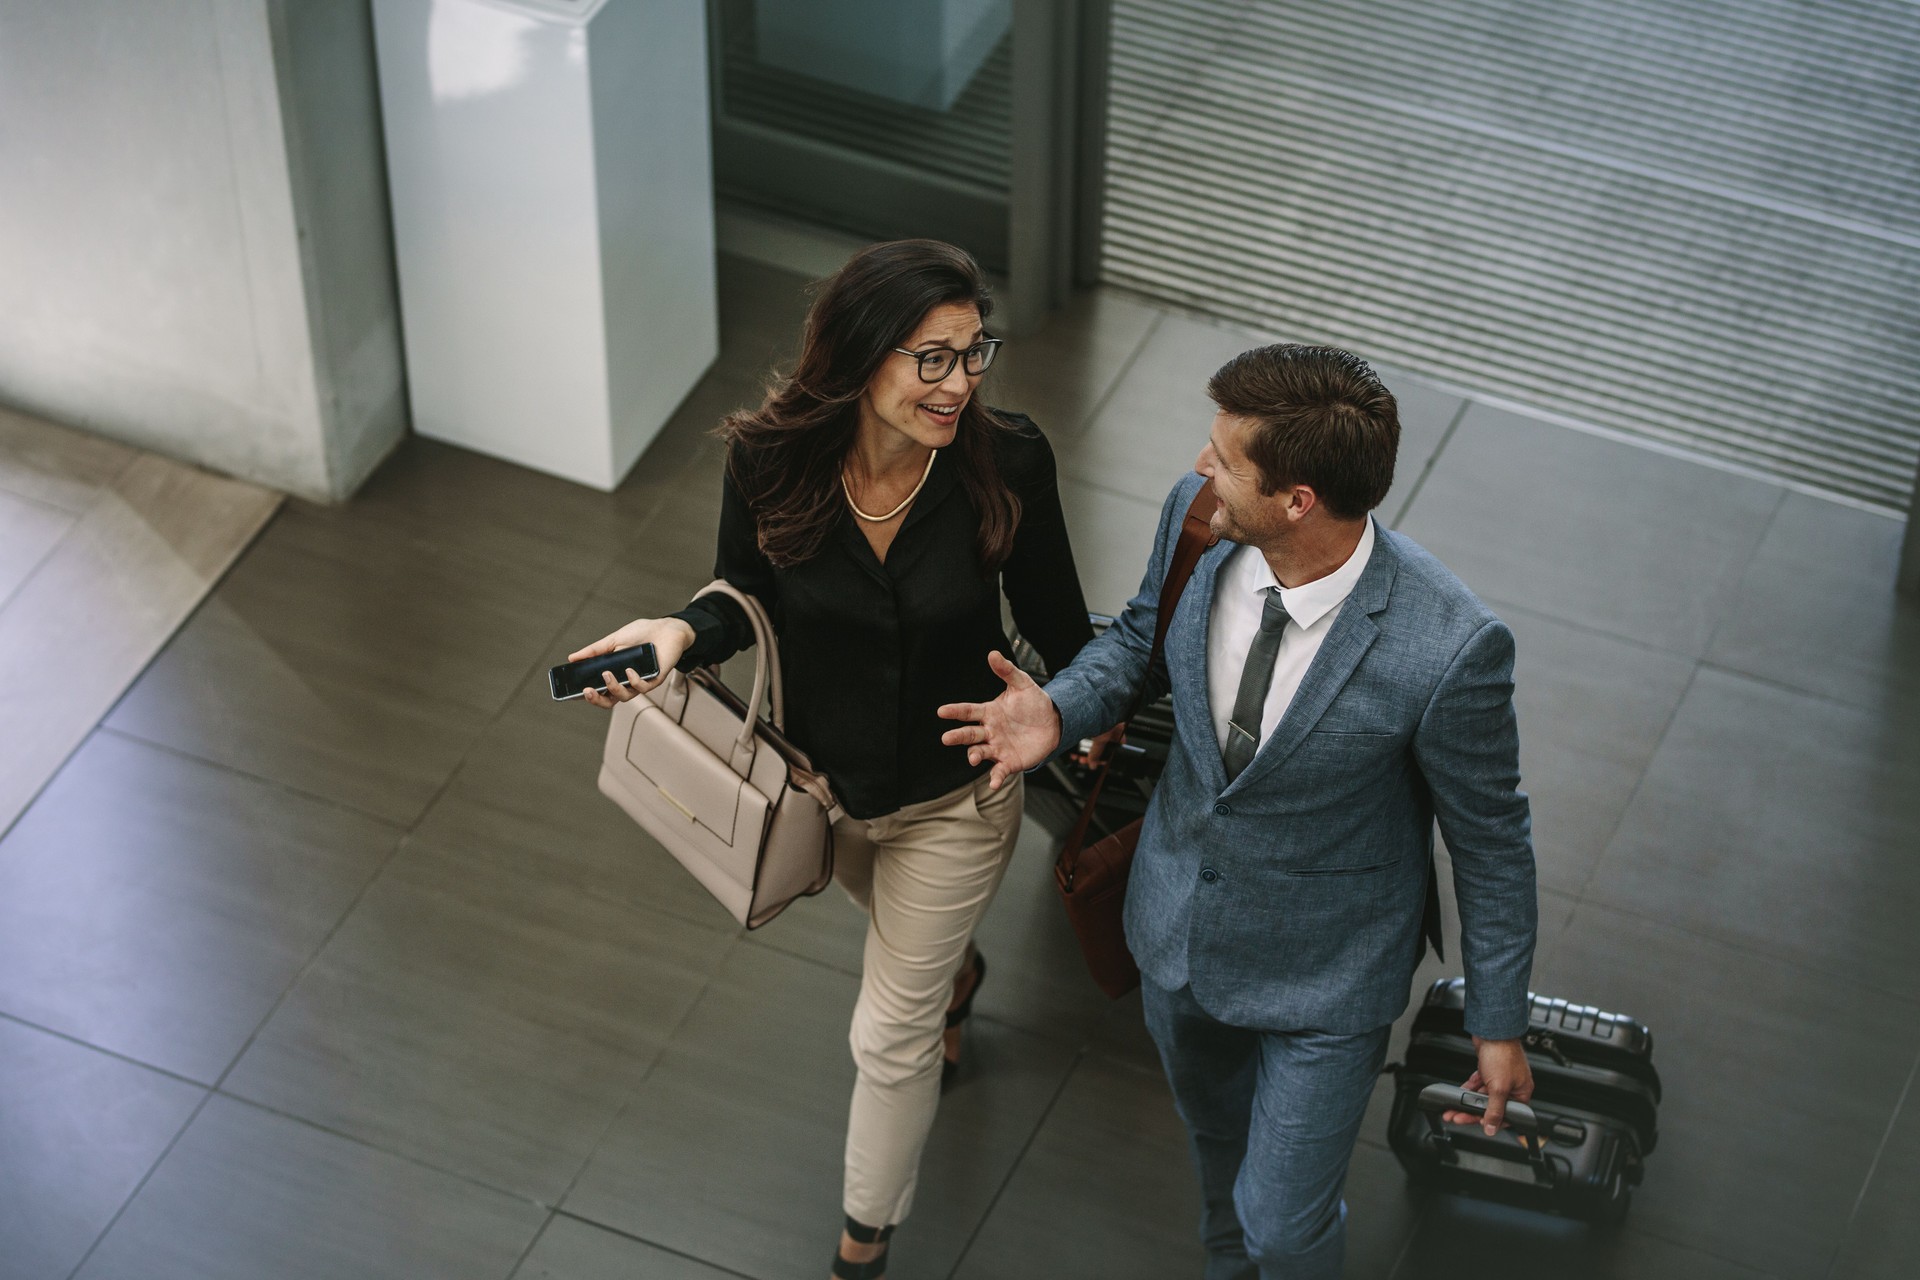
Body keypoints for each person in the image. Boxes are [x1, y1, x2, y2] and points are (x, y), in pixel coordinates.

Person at [938, 344, 1538, 1279]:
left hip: (1328, 976)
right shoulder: (1201, 521)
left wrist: (1500, 1024)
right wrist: (1057, 710)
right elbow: (1140, 633)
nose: (1197, 468)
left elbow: (1492, 842)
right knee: (1218, 1153)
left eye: (1224, 458)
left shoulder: (1449, 648)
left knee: (1285, 1225)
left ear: (1298, 500)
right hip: (1179, 932)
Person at [568, 239, 1093, 1280]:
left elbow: (1065, 634)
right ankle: (955, 969)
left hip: (959, 798)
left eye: (972, 352)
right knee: (904, 943)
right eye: (929, 359)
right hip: (825, 793)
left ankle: (863, 1243)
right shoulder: (771, 457)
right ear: (859, 356)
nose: (960, 383)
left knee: (888, 1033)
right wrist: (677, 633)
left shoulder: (1008, 460)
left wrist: (1057, 705)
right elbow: (740, 592)